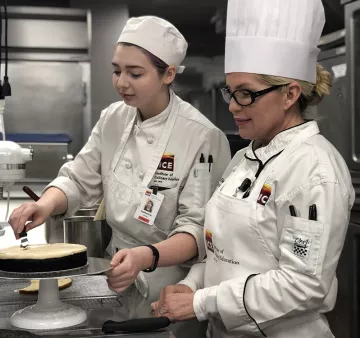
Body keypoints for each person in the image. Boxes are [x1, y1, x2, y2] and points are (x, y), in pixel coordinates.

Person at [152, 1, 355, 337]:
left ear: (290, 93)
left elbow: (303, 286)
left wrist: (203, 303)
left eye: (246, 94)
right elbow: (225, 252)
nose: (232, 105)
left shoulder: (315, 170)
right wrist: (191, 285)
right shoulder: (245, 157)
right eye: (231, 91)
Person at [9, 16, 231, 303]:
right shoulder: (112, 118)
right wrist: (43, 205)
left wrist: (146, 256)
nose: (122, 83)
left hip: (170, 282)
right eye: (116, 71)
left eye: (135, 74)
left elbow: (198, 230)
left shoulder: (202, 136)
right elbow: (79, 177)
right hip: (114, 271)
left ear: (169, 74)